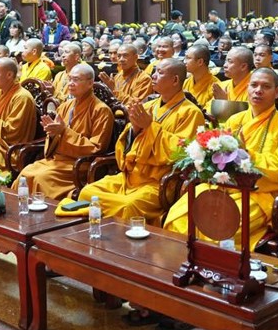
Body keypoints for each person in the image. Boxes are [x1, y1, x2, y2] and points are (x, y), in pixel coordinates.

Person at [164, 68, 278, 246]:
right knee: (179, 216)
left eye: (266, 86)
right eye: (254, 85)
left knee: (220, 227)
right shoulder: (235, 120)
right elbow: (216, 157)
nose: (258, 90)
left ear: (276, 92)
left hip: (259, 194)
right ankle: (182, 259)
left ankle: (212, 262)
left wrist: (245, 154)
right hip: (223, 186)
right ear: (247, 88)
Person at [79, 58, 202, 221]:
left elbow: (181, 152)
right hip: (130, 176)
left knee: (127, 206)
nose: (153, 76)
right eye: (154, 71)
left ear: (175, 80)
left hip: (157, 182)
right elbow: (126, 144)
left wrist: (150, 127)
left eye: (160, 72)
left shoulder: (191, 113)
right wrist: (135, 130)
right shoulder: (148, 106)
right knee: (87, 193)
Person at [14, 64, 113, 200]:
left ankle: (44, 212)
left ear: (90, 83)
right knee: (26, 173)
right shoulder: (65, 106)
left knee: (42, 178)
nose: (70, 83)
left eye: (76, 80)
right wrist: (53, 134)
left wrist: (64, 132)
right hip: (57, 160)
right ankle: (20, 208)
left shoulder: (101, 110)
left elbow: (96, 148)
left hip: (79, 164)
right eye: (70, 79)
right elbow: (55, 138)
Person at [182, 43, 218, 109]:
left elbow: (208, 113)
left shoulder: (215, 87)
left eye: (188, 58)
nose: (184, 61)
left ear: (200, 62)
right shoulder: (185, 83)